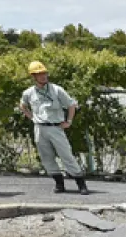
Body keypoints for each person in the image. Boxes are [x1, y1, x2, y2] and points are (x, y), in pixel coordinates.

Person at [19, 61, 89, 195]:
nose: (43, 76)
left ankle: (81, 183)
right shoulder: (28, 93)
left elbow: (71, 105)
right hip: (40, 128)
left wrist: (68, 121)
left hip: (55, 127)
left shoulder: (57, 90)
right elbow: (22, 105)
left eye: (44, 73)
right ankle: (59, 183)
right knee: (46, 157)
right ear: (33, 76)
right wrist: (32, 117)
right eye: (39, 74)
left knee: (66, 155)